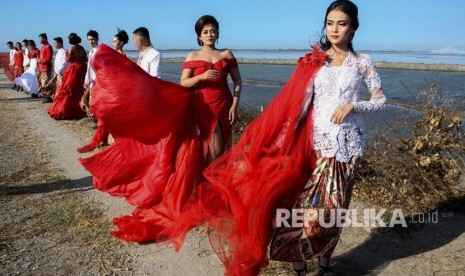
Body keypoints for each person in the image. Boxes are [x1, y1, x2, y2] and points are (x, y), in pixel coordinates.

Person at [180, 15, 242, 165]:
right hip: (204, 106)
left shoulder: (226, 54)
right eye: (206, 32)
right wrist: (201, 76)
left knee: (224, 147)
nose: (210, 35)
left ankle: (216, 180)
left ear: (218, 35)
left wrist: (234, 105)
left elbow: (238, 81)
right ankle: (208, 181)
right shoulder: (193, 55)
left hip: (225, 103)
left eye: (213, 31)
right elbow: (183, 83)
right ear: (199, 36)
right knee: (214, 146)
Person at [47, 33, 88, 120]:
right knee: (79, 89)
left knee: (69, 89)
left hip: (74, 69)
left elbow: (68, 59)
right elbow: (85, 59)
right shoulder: (82, 48)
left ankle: (66, 110)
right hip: (82, 68)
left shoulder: (70, 49)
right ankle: (78, 109)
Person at [80, 30, 100, 120]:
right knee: (90, 100)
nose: (91, 41)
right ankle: (94, 118)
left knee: (97, 101)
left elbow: (101, 69)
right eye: (89, 39)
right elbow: (88, 67)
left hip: (98, 81)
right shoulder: (91, 52)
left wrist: (94, 78)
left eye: (93, 39)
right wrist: (86, 80)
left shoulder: (100, 51)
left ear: (97, 39)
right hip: (91, 80)